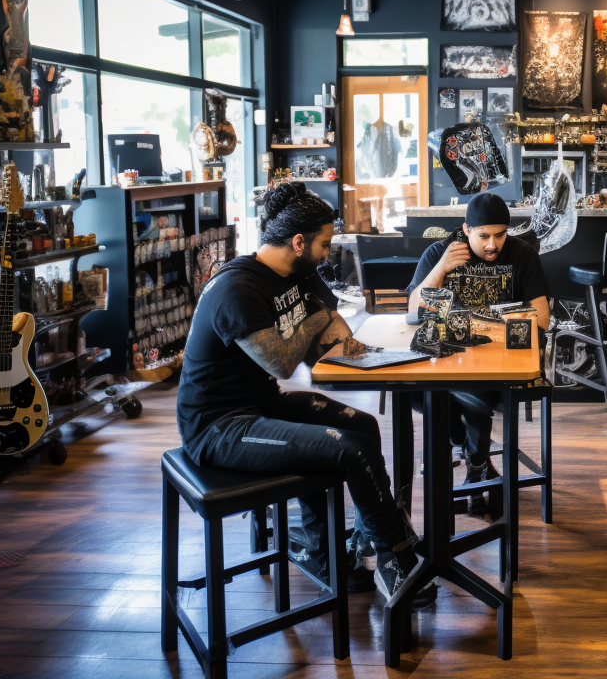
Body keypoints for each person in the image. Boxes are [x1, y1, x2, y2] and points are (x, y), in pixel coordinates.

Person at [175, 182, 432, 605]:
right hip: (218, 427)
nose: (328, 252)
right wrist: (318, 323)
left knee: (363, 426)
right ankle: (395, 556)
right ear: (299, 242)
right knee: (348, 448)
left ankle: (353, 543)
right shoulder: (236, 290)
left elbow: (335, 328)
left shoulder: (300, 270)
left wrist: (332, 331)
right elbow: (281, 361)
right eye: (325, 244)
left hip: (263, 404)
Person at [405, 192, 550, 512]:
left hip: (501, 360)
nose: (492, 245)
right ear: (466, 229)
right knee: (433, 392)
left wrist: (481, 325)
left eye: (500, 235)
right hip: (447, 360)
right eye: (483, 236)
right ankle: (476, 463)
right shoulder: (439, 253)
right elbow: (414, 312)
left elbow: (542, 318)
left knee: (469, 393)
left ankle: (473, 464)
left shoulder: (522, 254)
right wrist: (441, 268)